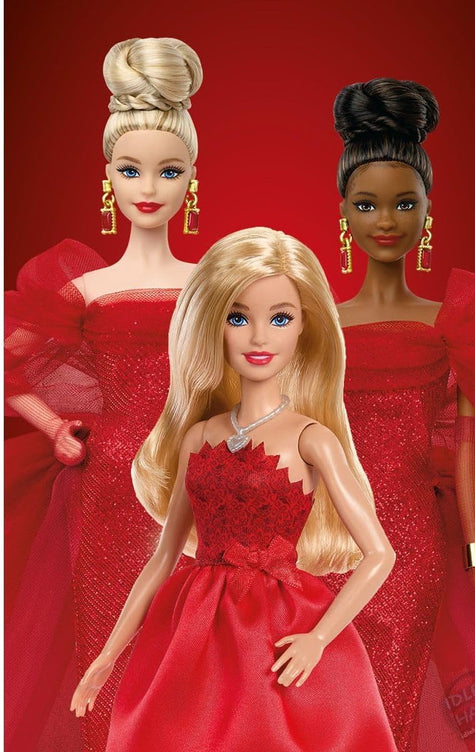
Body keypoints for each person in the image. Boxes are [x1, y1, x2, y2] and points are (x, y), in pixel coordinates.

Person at [70, 227, 398, 752]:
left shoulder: (312, 438)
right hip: (196, 626)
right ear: (213, 324)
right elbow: (163, 557)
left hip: (281, 623)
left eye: (280, 319)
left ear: (305, 327)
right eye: (238, 318)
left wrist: (319, 637)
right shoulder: (198, 435)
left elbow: (380, 554)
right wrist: (107, 657)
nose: (259, 337)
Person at [5, 36, 203, 752]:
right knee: (109, 647)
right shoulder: (86, 289)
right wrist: (55, 427)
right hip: (110, 489)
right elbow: (10, 367)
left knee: (196, 648)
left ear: (191, 180)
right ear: (108, 178)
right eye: (130, 169)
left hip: (199, 481)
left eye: (169, 171)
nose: (149, 187)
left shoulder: (211, 283)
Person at [325, 78, 475, 752]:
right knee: (318, 700)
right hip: (319, 538)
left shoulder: (455, 323)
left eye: (403, 204)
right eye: (367, 205)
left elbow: (468, 449)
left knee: (391, 697)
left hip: (410, 543)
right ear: (344, 213)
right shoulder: (316, 323)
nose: (385, 221)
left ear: (427, 212)